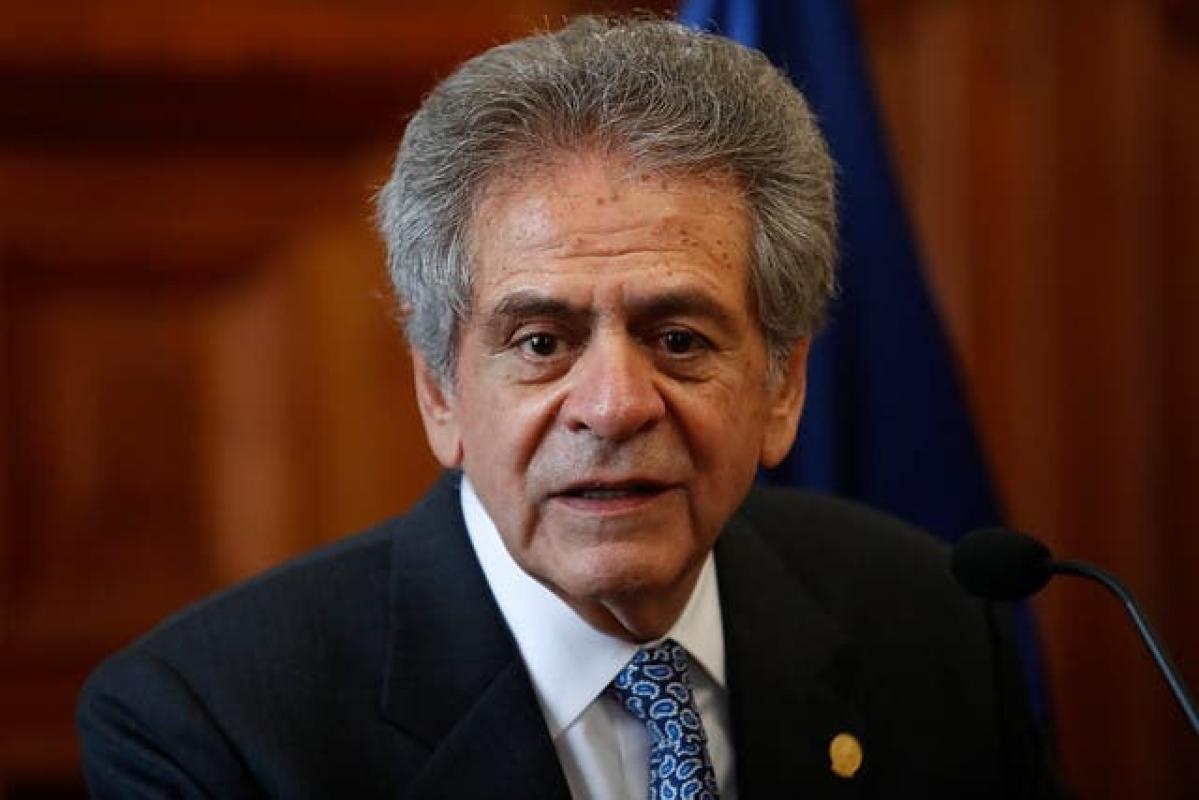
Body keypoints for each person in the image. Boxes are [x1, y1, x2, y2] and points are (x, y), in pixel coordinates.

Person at [77, 15, 1060, 799]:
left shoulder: (928, 621)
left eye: (679, 339)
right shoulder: (214, 727)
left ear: (783, 386)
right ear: (439, 389)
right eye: (541, 342)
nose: (614, 405)